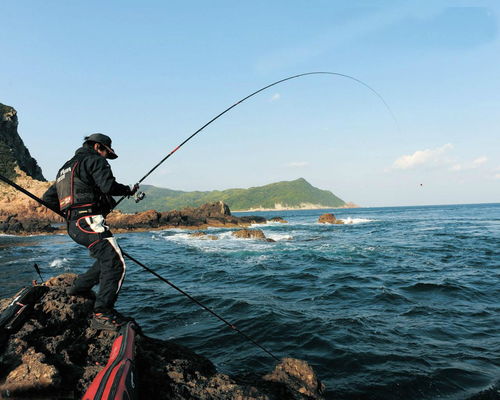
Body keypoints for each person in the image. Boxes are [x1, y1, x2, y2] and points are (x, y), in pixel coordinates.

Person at [43, 133, 138, 330]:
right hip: (88, 221)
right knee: (115, 263)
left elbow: (48, 199)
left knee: (106, 259)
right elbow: (108, 186)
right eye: (105, 152)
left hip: (74, 226)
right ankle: (102, 313)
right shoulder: (94, 160)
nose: (105, 157)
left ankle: (78, 288)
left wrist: (72, 212)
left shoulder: (65, 169)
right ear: (97, 147)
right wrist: (129, 189)